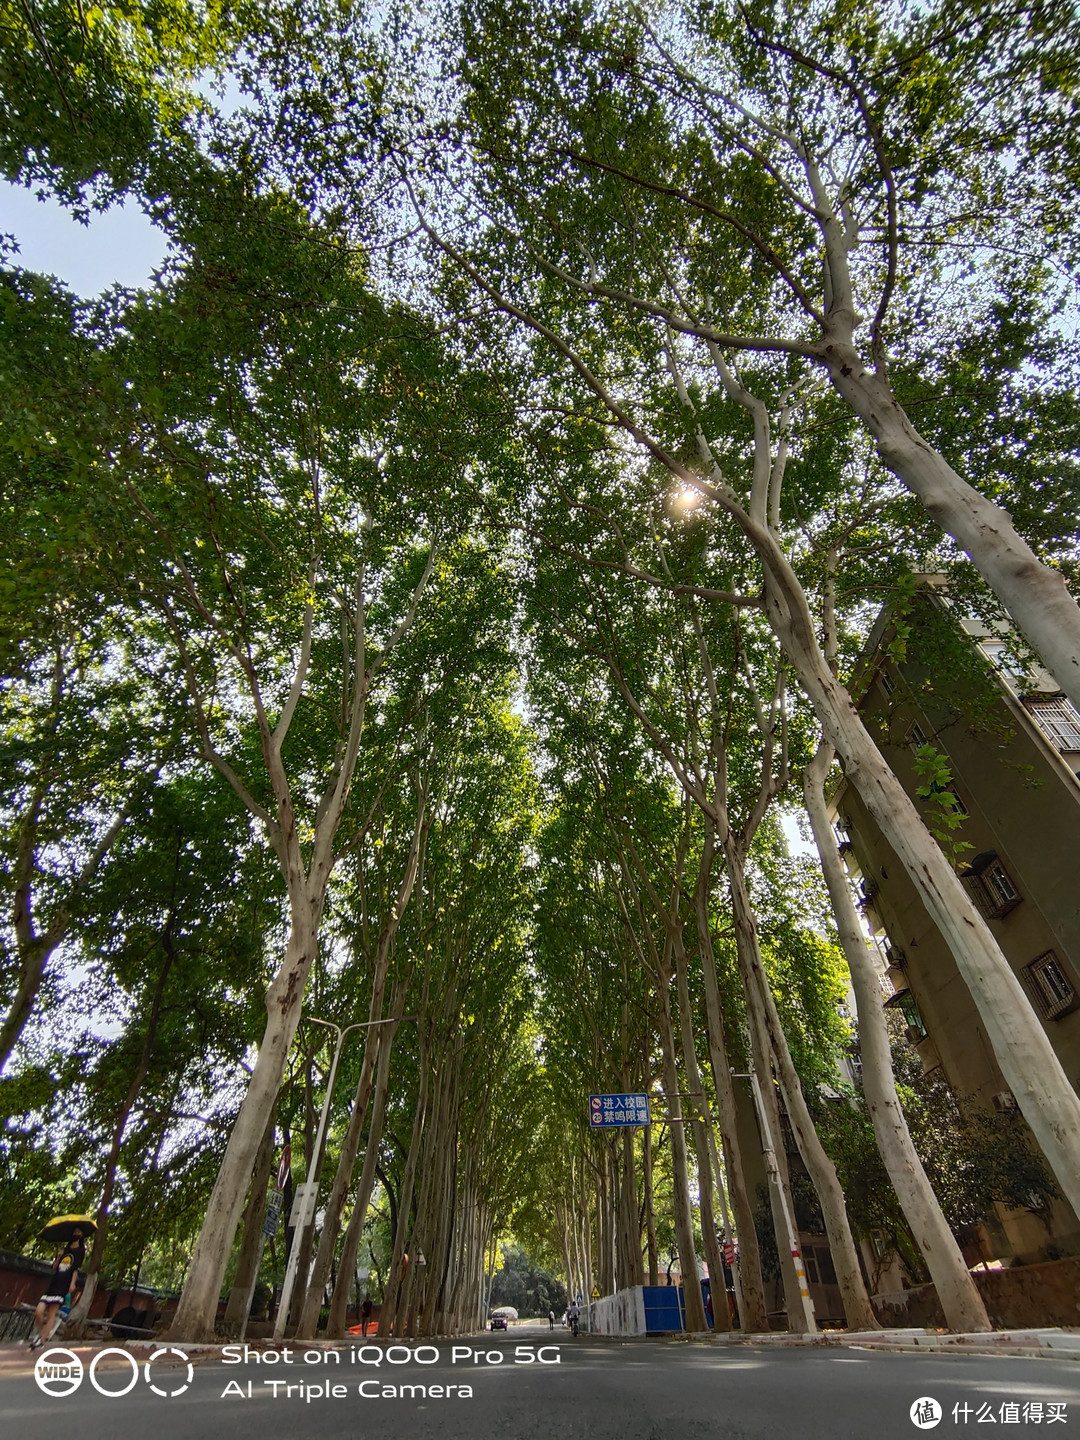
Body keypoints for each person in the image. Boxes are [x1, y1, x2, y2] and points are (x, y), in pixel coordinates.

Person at [30, 1229, 86, 1350]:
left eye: (79, 1233)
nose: (76, 1234)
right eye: (74, 1232)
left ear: (82, 1236)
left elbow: (75, 1269)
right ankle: (41, 1332)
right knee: (39, 1311)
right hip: (54, 1283)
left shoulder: (80, 1252)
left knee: (52, 1313)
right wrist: (58, 1257)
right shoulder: (65, 1250)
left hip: (63, 1285)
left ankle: (41, 1341)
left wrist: (72, 1284)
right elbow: (54, 1267)